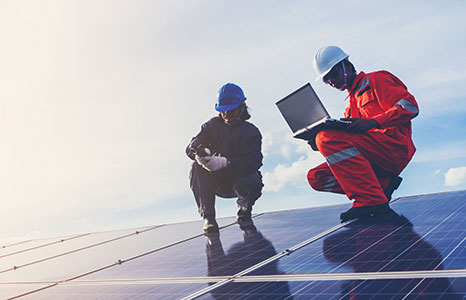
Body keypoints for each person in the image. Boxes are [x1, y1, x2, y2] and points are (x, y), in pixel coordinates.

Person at [307, 46, 419, 222]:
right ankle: (381, 186)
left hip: (393, 149)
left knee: (326, 137)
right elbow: (347, 145)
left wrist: (374, 122)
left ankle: (370, 200)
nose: (331, 81)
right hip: (373, 156)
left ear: (347, 66)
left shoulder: (376, 79)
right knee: (316, 177)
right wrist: (318, 143)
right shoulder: (349, 106)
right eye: (326, 79)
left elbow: (410, 107)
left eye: (333, 74)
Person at [186, 83, 264, 233]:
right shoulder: (211, 126)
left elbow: (255, 161)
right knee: (196, 167)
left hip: (240, 182)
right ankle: (208, 218)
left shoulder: (251, 132)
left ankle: (244, 213)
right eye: (223, 111)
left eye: (231, 110)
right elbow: (190, 147)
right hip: (218, 183)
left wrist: (227, 163)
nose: (227, 114)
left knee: (253, 180)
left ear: (241, 107)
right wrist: (199, 151)